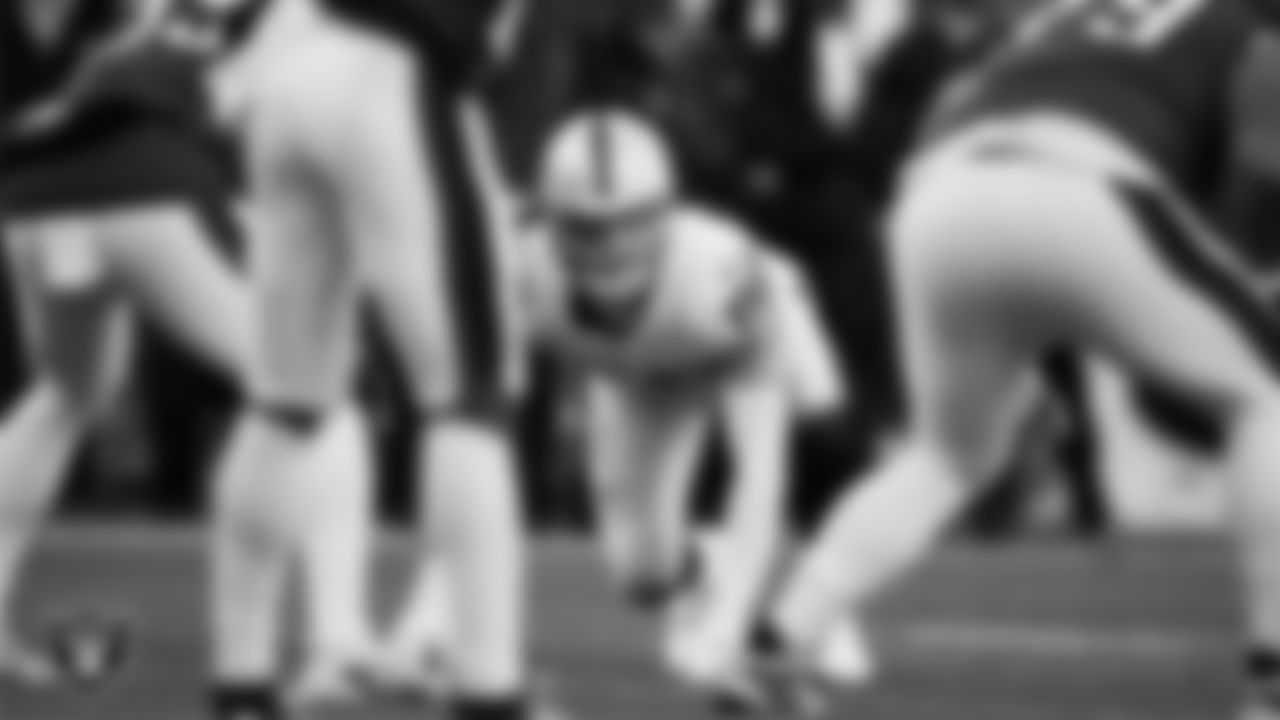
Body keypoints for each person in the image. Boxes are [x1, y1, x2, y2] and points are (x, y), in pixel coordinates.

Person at [750, 1, 1280, 718]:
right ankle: (1272, 672)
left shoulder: (1058, 20)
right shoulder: (1243, 34)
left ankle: (781, 645)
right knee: (1264, 391)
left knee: (946, 456)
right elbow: (1262, 173)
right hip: (1079, 181)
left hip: (937, 198)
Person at [197, 0, 541, 718]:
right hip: (394, 67)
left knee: (285, 399)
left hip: (285, 65)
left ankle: (241, 684)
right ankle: (488, 694)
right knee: (471, 396)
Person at [504, 108, 872, 712]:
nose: (611, 246)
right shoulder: (518, 267)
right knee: (644, 578)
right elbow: (481, 429)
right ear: (550, 220)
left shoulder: (723, 275)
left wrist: (727, 634)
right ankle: (705, 571)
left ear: (665, 213)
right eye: (588, 228)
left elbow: (762, 469)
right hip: (636, 377)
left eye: (630, 223)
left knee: (822, 433)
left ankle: (823, 602)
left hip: (731, 338)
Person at [0, 0, 250, 685]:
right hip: (141, 175)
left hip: (30, 182)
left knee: (69, 391)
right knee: (301, 388)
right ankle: (336, 639)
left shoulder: (130, 29)